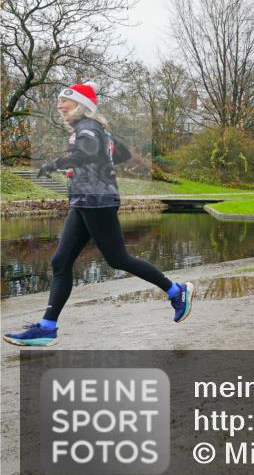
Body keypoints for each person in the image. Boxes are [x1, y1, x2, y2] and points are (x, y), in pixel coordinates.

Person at [3, 83, 193, 348]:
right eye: (59, 102)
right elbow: (122, 153)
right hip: (85, 201)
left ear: (81, 105)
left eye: (64, 102)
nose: (59, 106)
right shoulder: (95, 129)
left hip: (96, 201)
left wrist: (54, 164)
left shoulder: (88, 128)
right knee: (60, 262)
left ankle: (176, 291)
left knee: (118, 259)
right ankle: (47, 328)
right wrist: (103, 154)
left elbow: (85, 153)